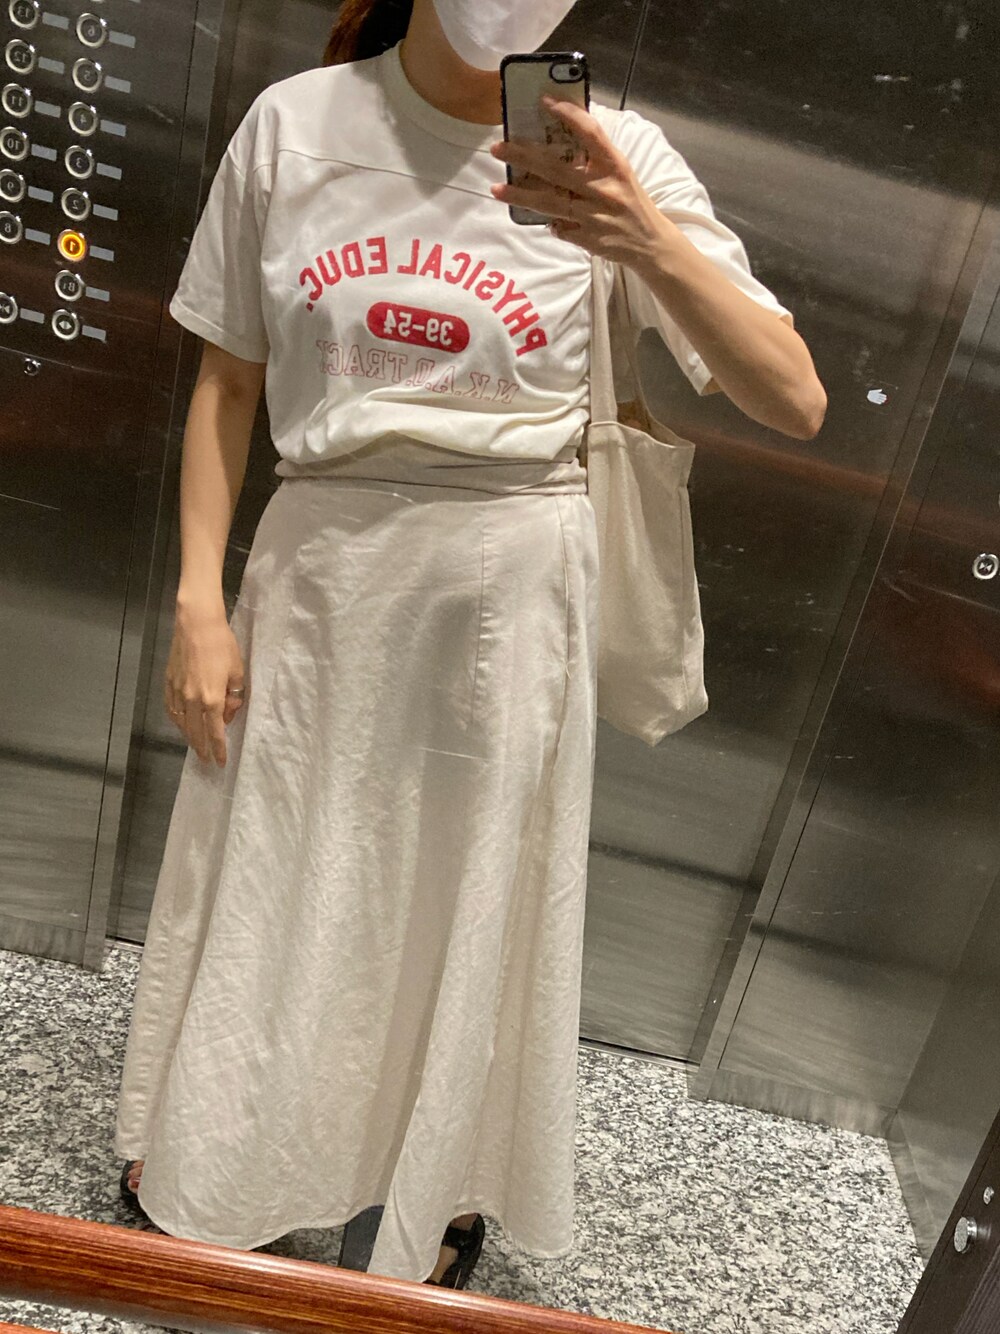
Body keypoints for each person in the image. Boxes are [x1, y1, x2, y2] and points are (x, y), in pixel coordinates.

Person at [112, 0, 826, 1292]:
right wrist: (197, 603)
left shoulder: (615, 154)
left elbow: (794, 396)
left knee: (461, 894)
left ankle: (417, 1187)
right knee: (280, 868)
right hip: (319, 578)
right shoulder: (295, 125)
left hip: (511, 589)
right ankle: (230, 1153)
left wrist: (643, 239)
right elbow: (227, 382)